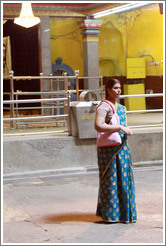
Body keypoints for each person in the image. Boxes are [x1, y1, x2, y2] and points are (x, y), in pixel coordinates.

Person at [94, 78, 137, 223]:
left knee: (124, 180)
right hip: (109, 152)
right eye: (115, 88)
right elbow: (98, 126)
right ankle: (111, 214)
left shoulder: (120, 107)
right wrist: (119, 128)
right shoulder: (104, 107)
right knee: (111, 180)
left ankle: (124, 214)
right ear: (108, 90)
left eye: (120, 88)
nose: (119, 90)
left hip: (122, 149)